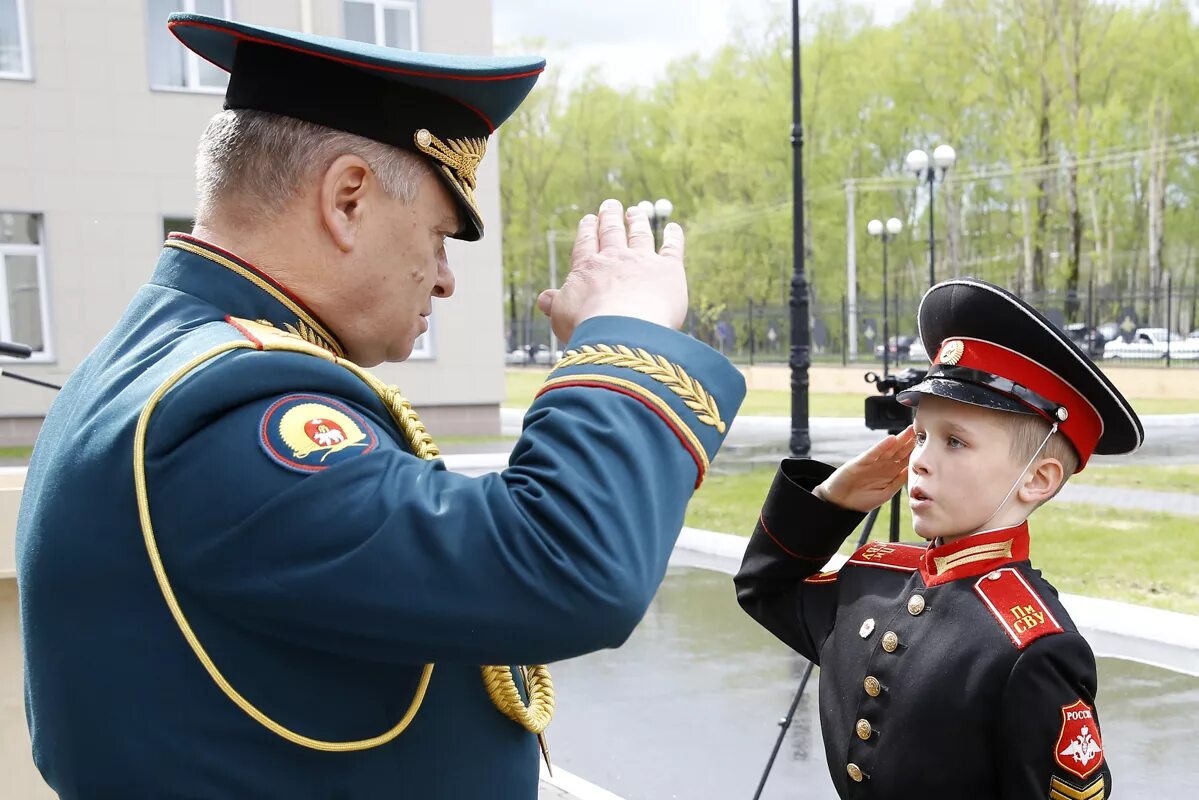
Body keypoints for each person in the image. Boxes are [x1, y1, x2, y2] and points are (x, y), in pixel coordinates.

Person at [15, 14, 745, 799]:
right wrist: (623, 333)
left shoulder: (158, 358)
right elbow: (563, 563)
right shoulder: (225, 410)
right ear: (349, 199)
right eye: (438, 235)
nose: (443, 278)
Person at [736, 277, 1138, 799]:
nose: (921, 458)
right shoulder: (872, 580)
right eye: (920, 434)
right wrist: (831, 500)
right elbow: (764, 589)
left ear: (1038, 479)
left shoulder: (1029, 649)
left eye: (954, 440)